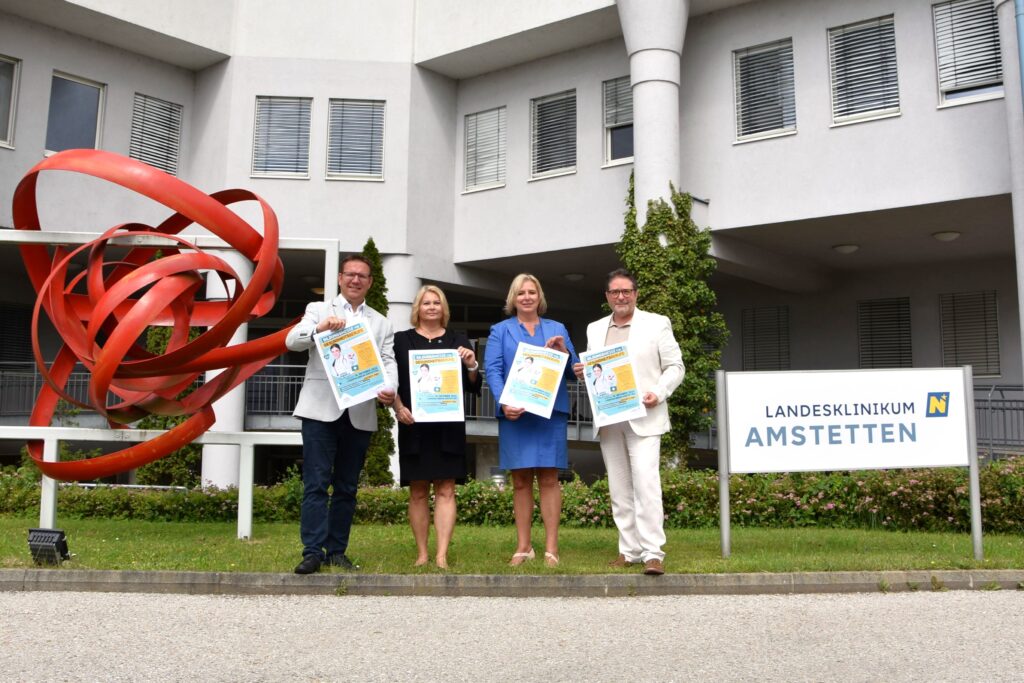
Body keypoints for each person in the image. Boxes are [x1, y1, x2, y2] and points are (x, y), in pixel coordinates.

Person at [285, 254, 398, 575]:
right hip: (320, 410)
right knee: (316, 484)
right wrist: (319, 329)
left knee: (347, 488)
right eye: (350, 274)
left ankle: (336, 551)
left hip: (360, 412)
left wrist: (390, 387)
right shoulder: (318, 310)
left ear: (370, 282)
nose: (355, 280)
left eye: (362, 276)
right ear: (339, 278)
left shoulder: (381, 321)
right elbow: (292, 341)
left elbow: (388, 361)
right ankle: (312, 551)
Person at [573, 268, 683, 576]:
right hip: (610, 418)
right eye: (614, 292)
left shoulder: (657, 323)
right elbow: (599, 374)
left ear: (635, 293)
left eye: (626, 291)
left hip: (645, 415)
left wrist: (658, 392)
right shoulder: (595, 328)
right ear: (607, 296)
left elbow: (676, 366)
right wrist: (585, 373)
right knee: (619, 487)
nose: (621, 297)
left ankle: (652, 553)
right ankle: (628, 550)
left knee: (646, 485)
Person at [485, 273, 578, 567]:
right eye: (521, 292)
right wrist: (504, 401)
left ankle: (552, 548)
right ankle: (524, 546)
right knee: (521, 481)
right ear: (513, 299)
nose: (526, 297)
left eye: (532, 292)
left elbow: (572, 370)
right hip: (516, 414)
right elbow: (493, 370)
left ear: (540, 297)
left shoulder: (557, 327)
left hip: (549, 414)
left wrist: (563, 351)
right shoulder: (500, 331)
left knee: (550, 479)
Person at [392, 285, 481, 569]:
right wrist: (398, 407)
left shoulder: (458, 340)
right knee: (417, 490)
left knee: (446, 489)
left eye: (437, 303)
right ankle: (422, 554)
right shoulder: (400, 341)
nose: (431, 307)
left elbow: (473, 385)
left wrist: (471, 365)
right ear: (417, 307)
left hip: (448, 426)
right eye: (426, 302)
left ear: (444, 309)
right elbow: (390, 380)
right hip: (413, 424)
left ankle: (441, 555)